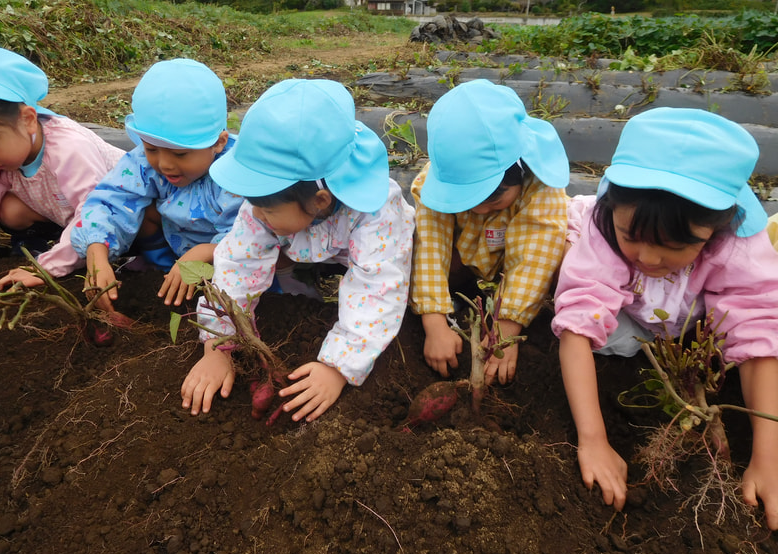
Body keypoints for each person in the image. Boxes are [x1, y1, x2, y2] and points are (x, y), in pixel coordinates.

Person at [552, 107, 778, 530]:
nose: (650, 258)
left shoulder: (736, 246)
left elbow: (758, 329)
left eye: (676, 247)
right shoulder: (604, 225)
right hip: (637, 314)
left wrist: (768, 460)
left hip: (694, 321)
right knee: (603, 334)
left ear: (716, 229)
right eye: (631, 238)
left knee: (750, 341)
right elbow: (580, 321)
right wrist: (594, 440)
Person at [181, 78, 415, 422]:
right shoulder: (268, 205)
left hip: (371, 250)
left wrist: (337, 367)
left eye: (266, 210)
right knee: (256, 241)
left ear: (320, 201)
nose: (256, 215)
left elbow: (377, 288)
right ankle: (297, 269)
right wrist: (219, 345)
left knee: (393, 283)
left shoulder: (378, 214)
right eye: (254, 206)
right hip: (307, 240)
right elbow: (238, 264)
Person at [409, 79, 570, 386]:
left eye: (494, 200)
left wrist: (505, 331)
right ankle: (458, 304)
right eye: (467, 203)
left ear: (520, 172)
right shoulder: (440, 180)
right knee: (411, 245)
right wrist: (434, 323)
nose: (480, 210)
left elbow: (534, 258)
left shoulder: (539, 186)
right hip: (468, 262)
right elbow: (430, 247)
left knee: (564, 255)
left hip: (513, 268)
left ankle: (511, 309)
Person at [71, 58, 241, 311]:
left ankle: (284, 286)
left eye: (180, 154)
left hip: (232, 257)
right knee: (140, 208)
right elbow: (111, 200)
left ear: (218, 142)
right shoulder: (142, 162)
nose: (165, 164)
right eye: (151, 149)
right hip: (176, 244)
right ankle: (158, 268)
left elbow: (254, 233)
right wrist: (96, 251)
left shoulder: (238, 173)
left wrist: (207, 251)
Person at [0, 44, 124, 289]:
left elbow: (93, 214)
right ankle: (51, 243)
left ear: (28, 120)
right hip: (64, 211)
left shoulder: (69, 148)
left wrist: (46, 268)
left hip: (116, 215)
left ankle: (84, 253)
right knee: (9, 210)